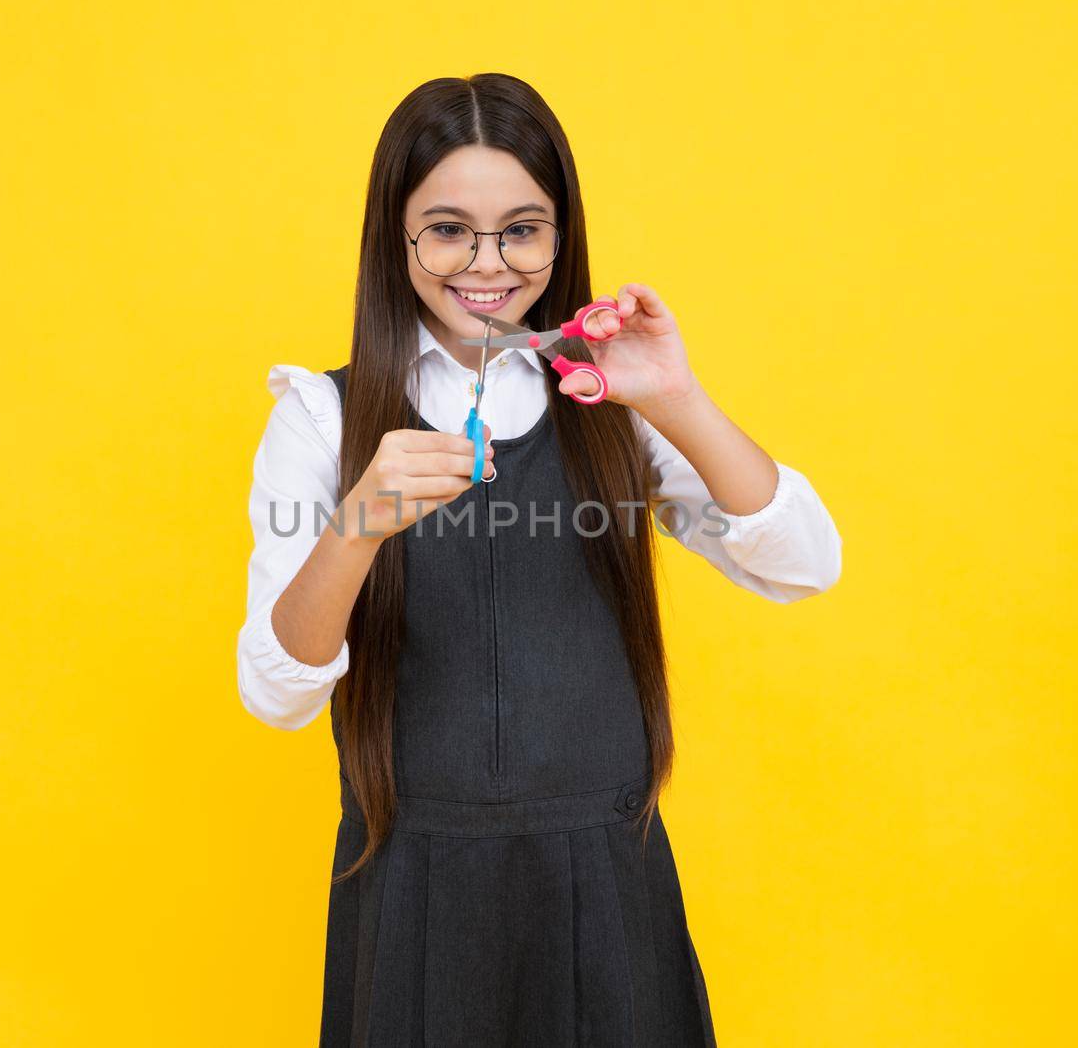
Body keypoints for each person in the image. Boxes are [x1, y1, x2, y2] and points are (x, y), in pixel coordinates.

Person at [236, 72, 842, 1046]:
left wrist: (676, 396)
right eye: (445, 229)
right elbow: (278, 693)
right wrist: (356, 524)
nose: (487, 262)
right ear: (393, 239)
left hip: (607, 880)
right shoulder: (323, 416)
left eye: (521, 228)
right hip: (416, 884)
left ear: (561, 236)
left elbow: (804, 560)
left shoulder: (609, 402)